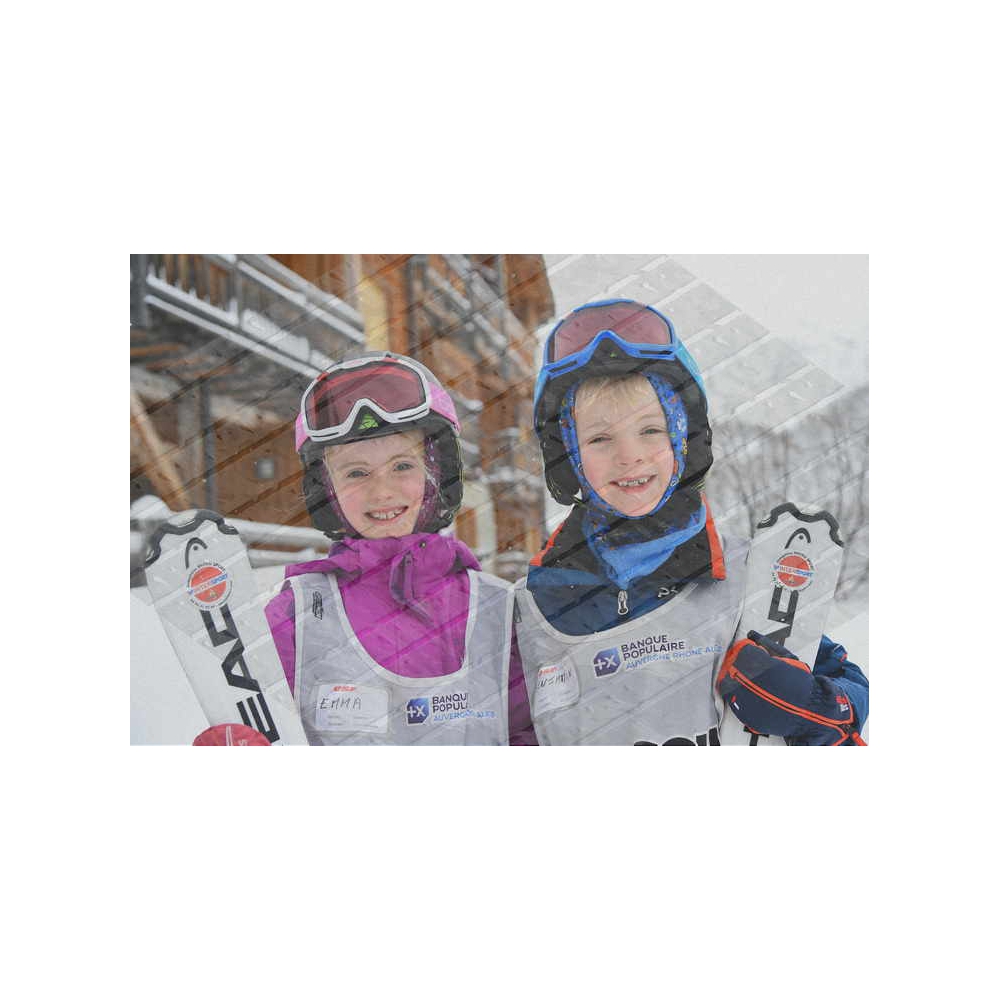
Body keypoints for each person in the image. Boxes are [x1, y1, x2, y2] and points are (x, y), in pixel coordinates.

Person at [513, 299, 868, 745]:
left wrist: (813, 710)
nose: (629, 455)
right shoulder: (531, 612)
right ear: (568, 456)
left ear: (684, 438)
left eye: (651, 430)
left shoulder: (751, 579)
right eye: (600, 438)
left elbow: (847, 705)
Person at [264, 352, 536, 745]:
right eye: (356, 472)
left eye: (402, 466)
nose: (382, 491)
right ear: (326, 489)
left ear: (436, 473)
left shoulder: (498, 611)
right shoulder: (297, 616)